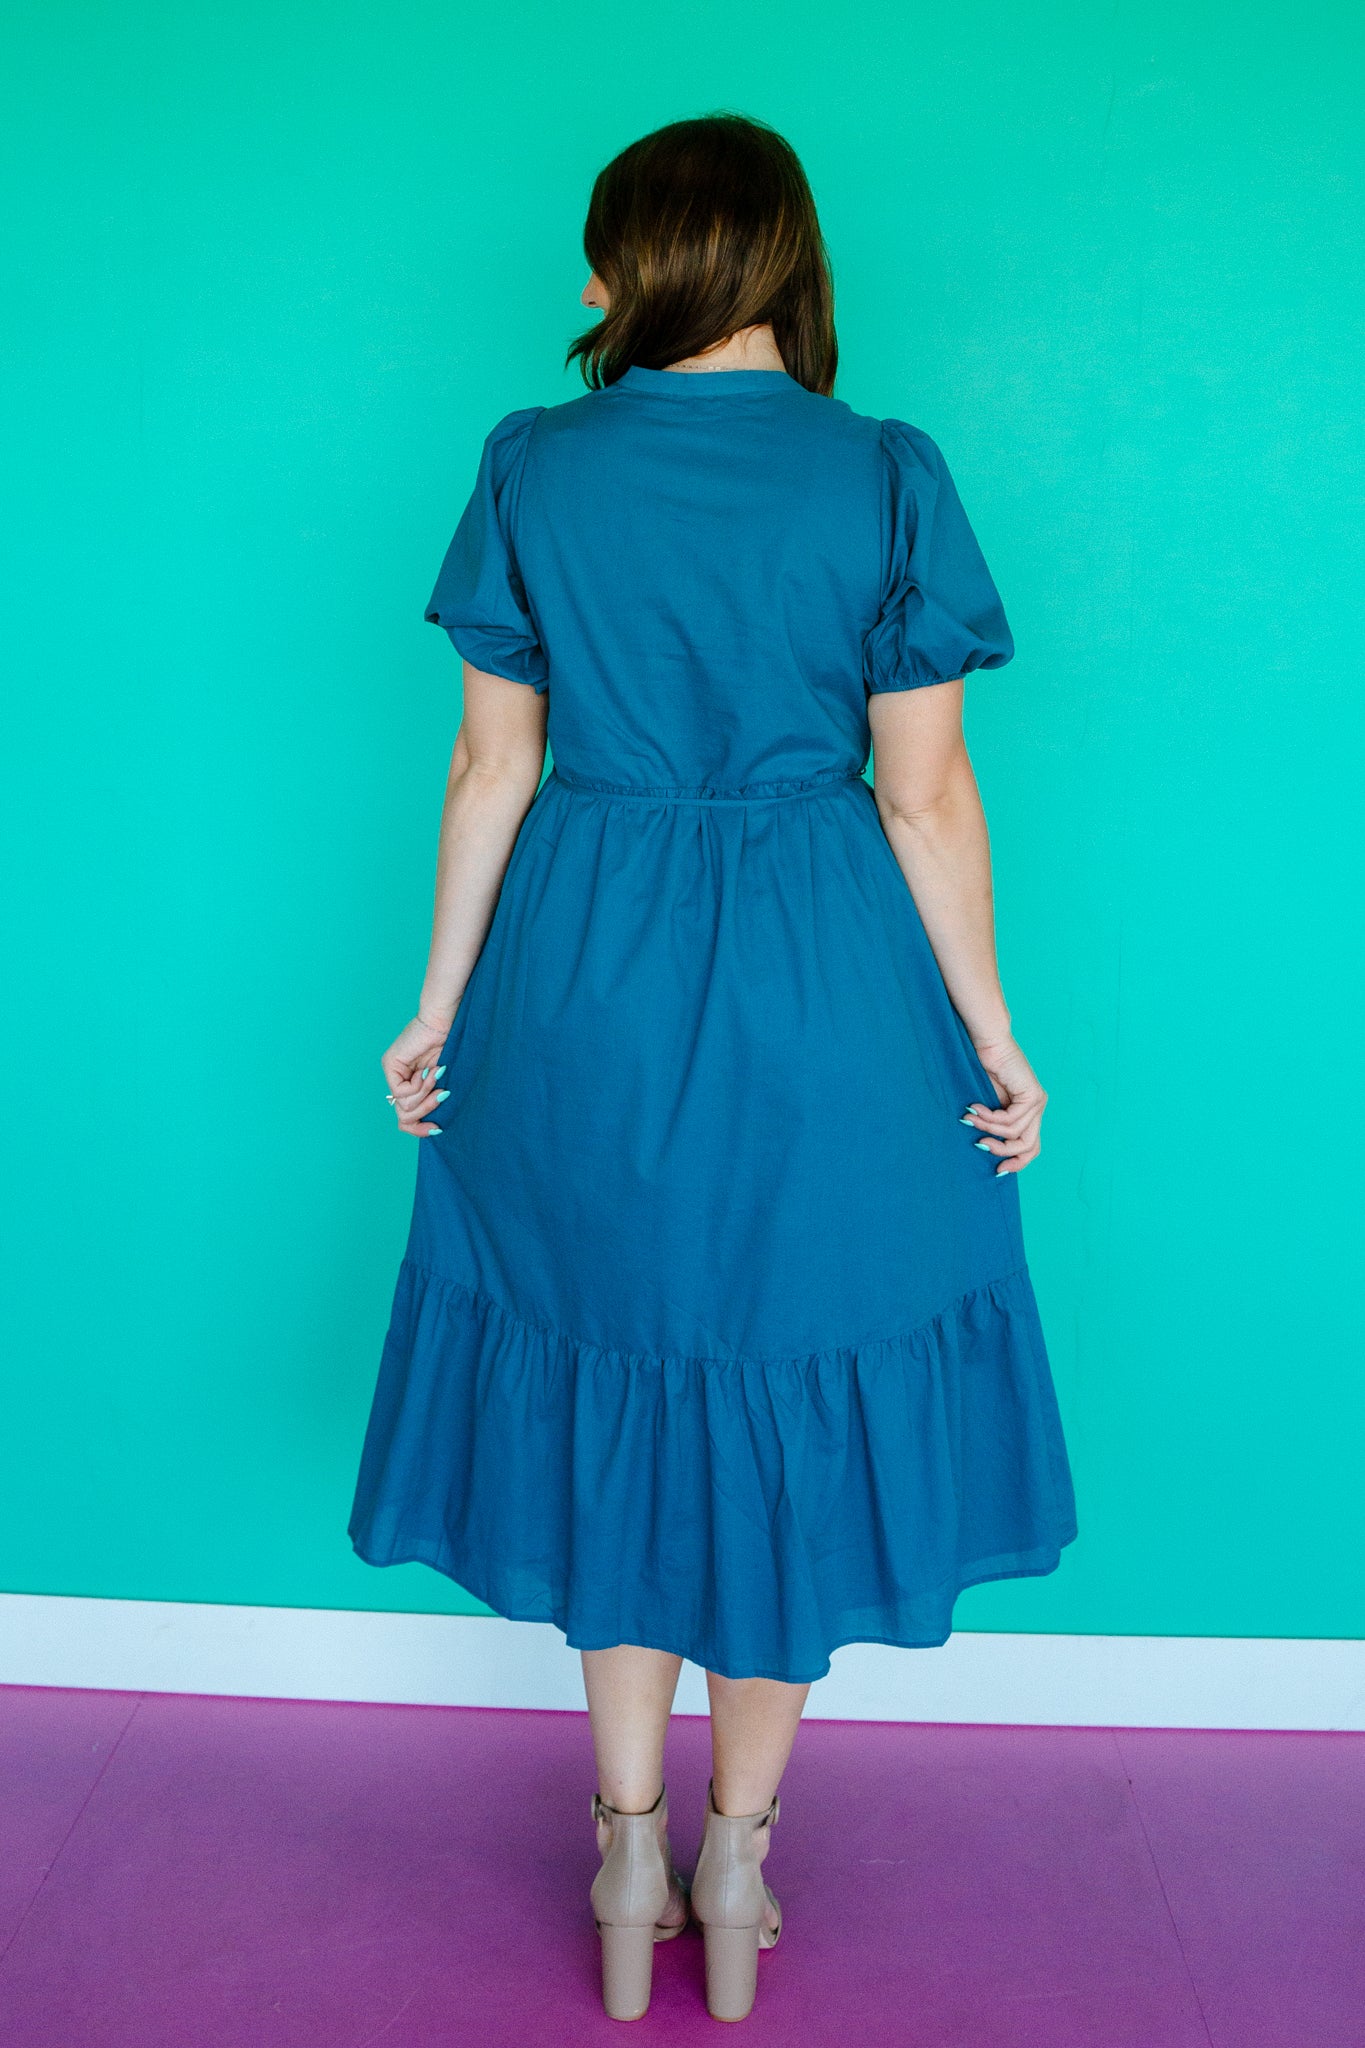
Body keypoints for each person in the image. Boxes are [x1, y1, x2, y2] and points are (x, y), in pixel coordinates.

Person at [349, 112, 1078, 2024]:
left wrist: (435, 1003)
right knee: (785, 1393)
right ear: (787, 260)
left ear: (639, 264)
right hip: (822, 986)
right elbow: (920, 801)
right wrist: (993, 1034)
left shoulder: (534, 464)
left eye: (597, 250)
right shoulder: (884, 473)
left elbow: (490, 766)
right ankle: (738, 1858)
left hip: (578, 975)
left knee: (615, 1369)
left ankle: (624, 1845)